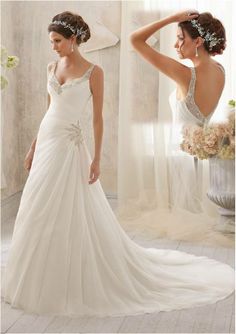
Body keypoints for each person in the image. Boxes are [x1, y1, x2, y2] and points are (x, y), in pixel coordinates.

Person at [2, 11, 234, 318]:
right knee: (36, 205)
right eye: (50, 41)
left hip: (71, 145)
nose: (54, 46)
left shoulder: (103, 72)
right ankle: (38, 265)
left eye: (58, 41)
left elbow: (100, 114)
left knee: (70, 208)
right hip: (47, 143)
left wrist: (97, 157)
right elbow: (49, 112)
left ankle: (68, 268)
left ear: (73, 40)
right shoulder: (218, 70)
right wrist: (33, 146)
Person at [130, 10, 227, 221]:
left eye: (180, 38)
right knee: (196, 215)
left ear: (199, 41)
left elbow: (135, 40)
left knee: (181, 217)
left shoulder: (184, 75)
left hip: (180, 156)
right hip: (202, 158)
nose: (176, 45)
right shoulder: (220, 71)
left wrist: (171, 19)